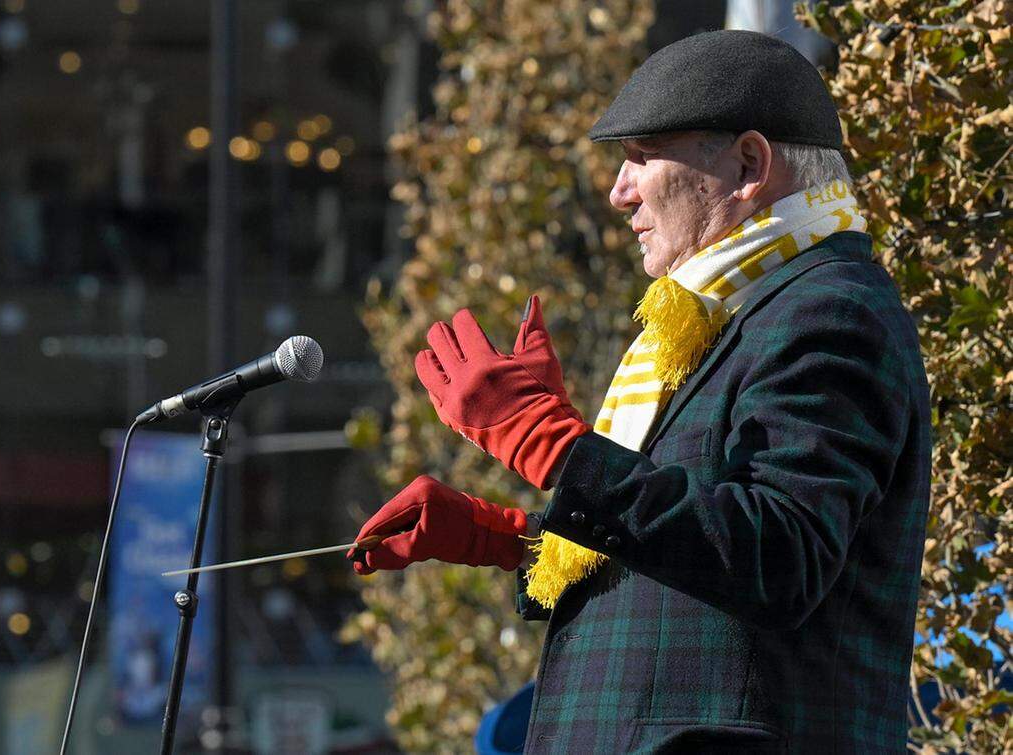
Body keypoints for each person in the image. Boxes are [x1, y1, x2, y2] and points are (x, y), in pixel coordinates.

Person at [347, 30, 931, 753]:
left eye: (640, 157)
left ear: (749, 163)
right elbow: (694, 572)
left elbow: (780, 557)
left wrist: (556, 450)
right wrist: (518, 539)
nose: (619, 191)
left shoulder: (828, 311)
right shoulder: (736, 313)